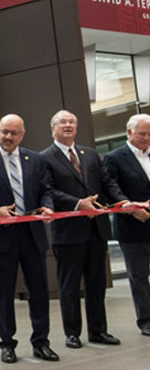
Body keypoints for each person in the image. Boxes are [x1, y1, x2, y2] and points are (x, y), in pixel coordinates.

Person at [41, 110, 127, 349]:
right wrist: (78, 203)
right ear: (53, 128)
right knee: (69, 285)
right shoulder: (45, 158)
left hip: (96, 229)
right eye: (63, 122)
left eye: (72, 122)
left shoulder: (89, 154)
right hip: (68, 232)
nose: (68, 125)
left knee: (97, 282)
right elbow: (48, 190)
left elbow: (107, 182)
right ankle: (72, 333)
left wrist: (123, 202)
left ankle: (99, 330)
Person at [0, 114, 59, 364]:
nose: (8, 137)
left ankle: (41, 342)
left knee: (39, 290)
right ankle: (7, 344)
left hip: (32, 233)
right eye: (4, 132)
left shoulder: (35, 159)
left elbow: (45, 190)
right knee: (3, 292)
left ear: (22, 134)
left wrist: (47, 207)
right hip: (0, 235)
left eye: (14, 133)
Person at [103, 114, 150, 336]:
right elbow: (111, 187)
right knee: (139, 275)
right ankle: (146, 319)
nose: (146, 138)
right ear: (129, 132)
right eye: (142, 134)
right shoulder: (115, 157)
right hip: (133, 226)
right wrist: (131, 208)